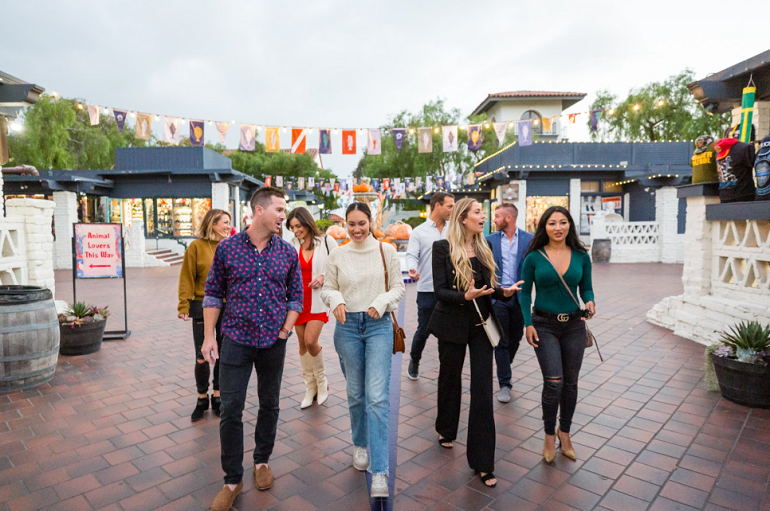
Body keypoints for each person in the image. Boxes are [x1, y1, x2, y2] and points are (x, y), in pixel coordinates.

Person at [202, 187, 303, 511]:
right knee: (231, 409)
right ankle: (232, 478)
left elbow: (295, 297)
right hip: (235, 340)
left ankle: (262, 461)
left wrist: (286, 330)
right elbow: (214, 293)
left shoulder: (287, 252)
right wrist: (208, 336)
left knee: (269, 404)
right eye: (279, 209)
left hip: (273, 342)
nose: (283, 216)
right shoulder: (228, 249)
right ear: (259, 210)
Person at [428, 198, 522, 488]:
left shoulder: (485, 247)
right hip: (452, 322)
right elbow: (441, 291)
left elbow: (488, 289)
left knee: (482, 388)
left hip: (482, 325)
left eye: (482, 212)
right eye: (478, 212)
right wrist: (464, 297)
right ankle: (446, 428)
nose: (484, 217)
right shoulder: (442, 248)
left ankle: (483, 462)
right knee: (450, 377)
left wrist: (502, 293)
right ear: (463, 218)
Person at [321, 202, 404, 498]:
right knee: (356, 393)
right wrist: (336, 300)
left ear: (371, 222)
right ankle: (360, 444)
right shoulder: (338, 254)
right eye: (351, 224)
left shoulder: (387, 251)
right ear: (345, 224)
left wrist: (380, 303)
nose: (356, 229)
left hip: (378, 324)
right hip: (346, 328)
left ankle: (379, 470)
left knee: (377, 396)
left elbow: (398, 288)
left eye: (362, 223)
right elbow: (327, 288)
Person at [519, 206, 595, 464]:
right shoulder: (534, 258)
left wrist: (590, 301)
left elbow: (586, 287)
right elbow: (524, 293)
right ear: (545, 227)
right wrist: (527, 324)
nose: (558, 228)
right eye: (552, 223)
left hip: (574, 325)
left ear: (570, 226)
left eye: (563, 223)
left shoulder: (581, 255)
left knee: (571, 383)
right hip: (544, 325)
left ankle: (566, 432)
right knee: (554, 382)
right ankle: (549, 435)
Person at [177, 209, 232, 421]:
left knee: (222, 354)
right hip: (202, 305)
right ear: (212, 224)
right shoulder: (196, 247)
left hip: (228, 307)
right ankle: (202, 397)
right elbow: (186, 277)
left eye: (229, 222)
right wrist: (184, 304)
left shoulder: (230, 246)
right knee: (202, 355)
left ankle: (217, 396)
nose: (228, 226)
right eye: (224, 223)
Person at [287, 206, 337, 409]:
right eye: (292, 227)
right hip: (297, 300)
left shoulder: (326, 241)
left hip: (318, 299)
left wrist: (324, 277)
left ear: (307, 222)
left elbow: (338, 265)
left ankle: (322, 382)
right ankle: (310, 388)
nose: (296, 230)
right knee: (301, 343)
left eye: (298, 226)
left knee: (310, 341)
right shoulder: (290, 244)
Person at [486, 203, 534, 403]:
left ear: (508, 218)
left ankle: (505, 363)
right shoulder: (488, 240)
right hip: (499, 297)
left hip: (521, 296)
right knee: (501, 341)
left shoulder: (529, 240)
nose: (493, 220)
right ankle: (504, 383)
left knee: (516, 338)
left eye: (497, 216)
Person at [405, 191, 455, 380]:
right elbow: (411, 255)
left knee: (448, 332)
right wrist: (411, 269)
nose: (452, 209)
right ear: (437, 206)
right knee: (424, 330)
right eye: (449, 206)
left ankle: (447, 368)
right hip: (427, 290)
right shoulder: (419, 231)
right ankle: (414, 359)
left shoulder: (454, 229)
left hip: (450, 291)